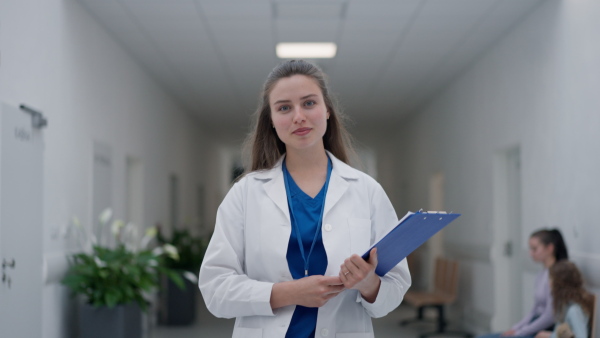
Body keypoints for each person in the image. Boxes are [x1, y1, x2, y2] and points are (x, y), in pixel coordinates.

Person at [198, 59, 411, 337]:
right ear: (272, 121)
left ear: (327, 111)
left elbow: (395, 285)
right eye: (284, 107)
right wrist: (288, 293)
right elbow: (215, 289)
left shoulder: (367, 191)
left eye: (309, 103)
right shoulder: (245, 193)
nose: (298, 116)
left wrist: (369, 283)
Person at [479, 229, 569, 338]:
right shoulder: (542, 273)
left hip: (544, 329)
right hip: (534, 324)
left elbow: (550, 317)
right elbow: (534, 310)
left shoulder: (557, 275)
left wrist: (521, 332)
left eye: (534, 249)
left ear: (550, 248)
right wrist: (515, 328)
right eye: (530, 249)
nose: (530, 253)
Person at [534, 260, 594, 338]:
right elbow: (560, 334)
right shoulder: (563, 305)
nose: (549, 283)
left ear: (559, 284)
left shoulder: (574, 311)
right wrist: (549, 335)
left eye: (551, 279)